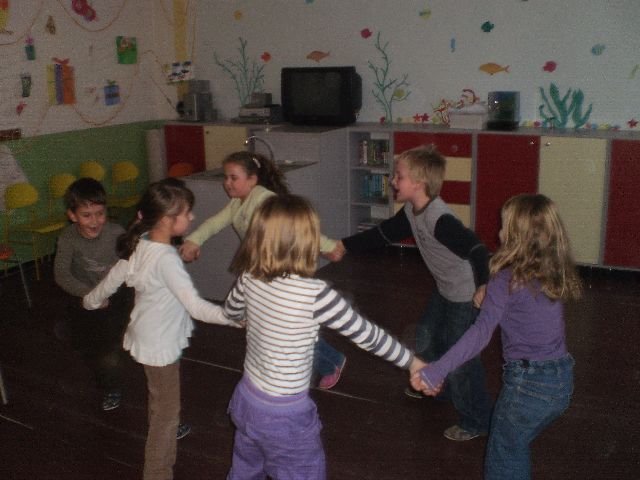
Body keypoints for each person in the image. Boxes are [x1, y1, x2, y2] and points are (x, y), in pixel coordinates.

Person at [221, 194, 426, 479]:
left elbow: (231, 311)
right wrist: (412, 362)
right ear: (307, 243)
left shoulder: (249, 278)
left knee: (245, 469)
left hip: (247, 402)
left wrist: (250, 316)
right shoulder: (314, 294)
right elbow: (368, 335)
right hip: (286, 419)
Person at [412, 194, 581, 480]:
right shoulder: (552, 272)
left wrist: (436, 370)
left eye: (504, 226)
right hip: (561, 382)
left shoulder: (506, 281)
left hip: (527, 387)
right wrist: (490, 297)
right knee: (514, 445)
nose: (499, 231)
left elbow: (479, 334)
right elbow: (527, 312)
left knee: (503, 455)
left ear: (515, 237)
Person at [83, 178, 242, 480]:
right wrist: (234, 317)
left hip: (149, 338)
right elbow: (196, 307)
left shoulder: (143, 243)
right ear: (167, 220)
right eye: (187, 212)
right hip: (159, 346)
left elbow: (116, 274)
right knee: (165, 418)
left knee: (161, 406)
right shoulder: (165, 259)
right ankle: (157, 473)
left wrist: (91, 301)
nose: (192, 217)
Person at [332, 145, 493, 441]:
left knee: (461, 357)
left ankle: (477, 419)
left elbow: (477, 249)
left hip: (465, 295)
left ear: (418, 183)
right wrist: (344, 245)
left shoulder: (439, 219)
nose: (393, 181)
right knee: (427, 338)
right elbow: (383, 234)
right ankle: (437, 386)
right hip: (445, 289)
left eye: (399, 176)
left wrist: (484, 284)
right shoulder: (411, 210)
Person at [179, 151, 347, 389]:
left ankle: (329, 362)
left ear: (252, 180)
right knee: (272, 325)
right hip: (260, 272)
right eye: (226, 177)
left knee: (285, 326)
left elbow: (296, 225)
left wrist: (328, 246)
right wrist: (194, 240)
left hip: (279, 271)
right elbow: (214, 223)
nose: (227, 183)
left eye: (233, 178)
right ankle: (295, 363)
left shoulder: (265, 200)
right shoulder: (238, 203)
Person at [54, 177, 132, 412]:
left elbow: (131, 264)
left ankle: (112, 379)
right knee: (95, 346)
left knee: (112, 344)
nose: (95, 221)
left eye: (100, 213)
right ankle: (109, 384)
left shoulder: (116, 232)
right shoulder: (68, 238)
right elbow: (62, 275)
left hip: (117, 296)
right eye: (86, 215)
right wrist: (92, 296)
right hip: (86, 298)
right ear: (72, 215)